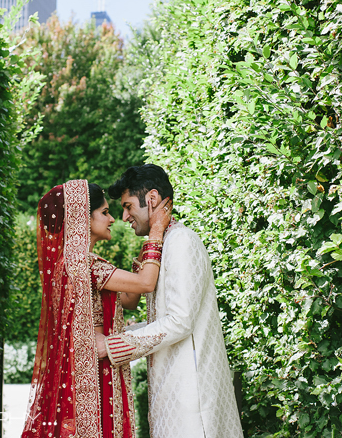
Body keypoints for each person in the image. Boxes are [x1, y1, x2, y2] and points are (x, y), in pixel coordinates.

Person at [96, 164, 244, 438]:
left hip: (192, 398)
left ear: (151, 199)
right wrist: (121, 333)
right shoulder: (166, 243)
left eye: (128, 206)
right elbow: (164, 319)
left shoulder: (181, 242)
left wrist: (112, 345)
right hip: (172, 390)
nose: (124, 216)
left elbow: (180, 321)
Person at [21, 179, 171, 438]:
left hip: (83, 368)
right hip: (94, 369)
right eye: (104, 212)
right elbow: (146, 284)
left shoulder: (65, 265)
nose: (112, 219)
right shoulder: (87, 265)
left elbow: (128, 300)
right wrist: (155, 233)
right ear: (82, 219)